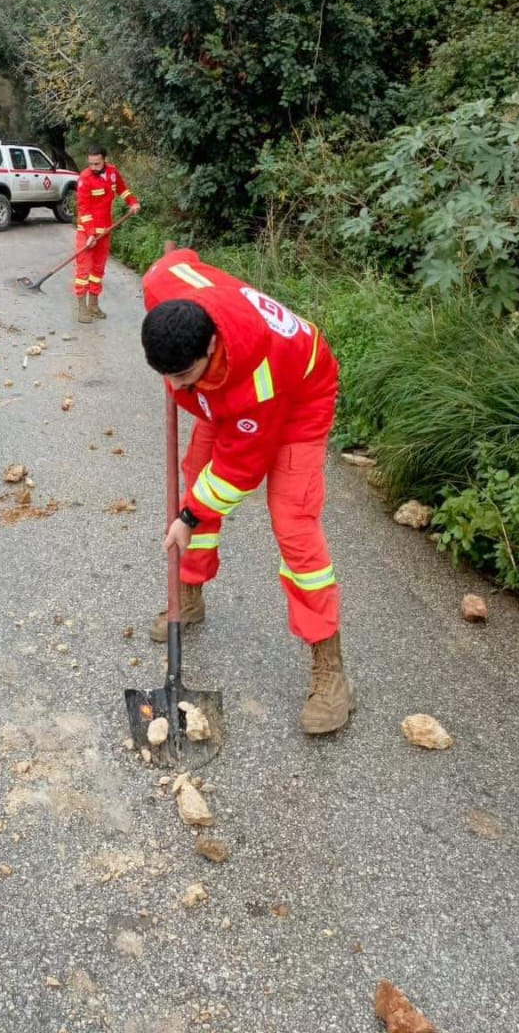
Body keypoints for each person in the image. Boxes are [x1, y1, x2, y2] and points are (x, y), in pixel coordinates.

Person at [140, 247, 354, 735]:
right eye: (165, 377)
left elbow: (238, 472)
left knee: (293, 521)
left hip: (299, 393)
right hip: (231, 389)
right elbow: (174, 261)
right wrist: (179, 370)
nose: (174, 387)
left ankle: (330, 669)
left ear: (211, 346)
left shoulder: (256, 385)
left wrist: (187, 517)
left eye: (182, 376)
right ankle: (189, 596)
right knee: (197, 473)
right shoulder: (167, 291)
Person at [73, 146, 140, 323]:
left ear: (105, 160)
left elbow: (122, 189)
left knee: (98, 270)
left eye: (97, 163)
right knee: (84, 271)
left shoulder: (112, 173)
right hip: (87, 234)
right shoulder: (84, 179)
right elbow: (84, 209)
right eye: (91, 164)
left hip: (105, 231)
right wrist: (89, 234)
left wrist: (132, 202)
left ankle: (93, 305)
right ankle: (82, 309)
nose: (93, 167)